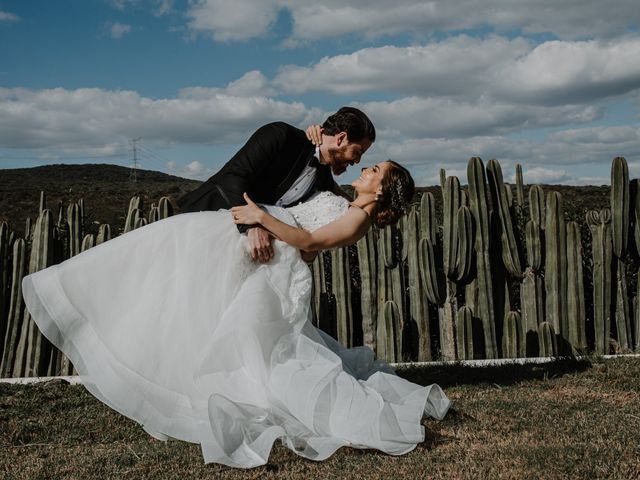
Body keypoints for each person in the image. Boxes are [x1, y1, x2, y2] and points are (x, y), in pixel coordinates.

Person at [22, 156, 450, 469]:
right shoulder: (346, 204)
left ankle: (179, 396)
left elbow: (311, 242)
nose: (366, 168)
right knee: (190, 293)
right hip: (266, 258)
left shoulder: (357, 219)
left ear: (381, 190)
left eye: (375, 170)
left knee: (244, 339)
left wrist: (259, 217)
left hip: (273, 267)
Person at [177, 106, 376, 263]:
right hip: (203, 224)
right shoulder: (281, 136)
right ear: (341, 138)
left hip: (240, 255)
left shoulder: (323, 180)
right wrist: (252, 227)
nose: (357, 161)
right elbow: (233, 177)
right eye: (358, 152)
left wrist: (309, 251)